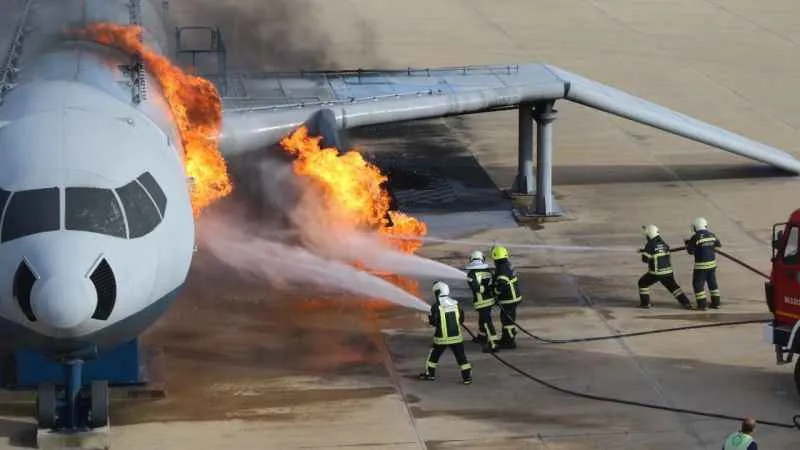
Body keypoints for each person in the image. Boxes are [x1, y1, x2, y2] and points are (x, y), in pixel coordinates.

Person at [417, 281, 473, 385]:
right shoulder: (455, 304)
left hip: (441, 338)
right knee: (461, 357)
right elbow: (461, 320)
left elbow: (434, 322)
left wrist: (430, 317)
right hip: (456, 337)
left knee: (433, 356)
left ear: (437, 292)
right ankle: (467, 377)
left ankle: (430, 374)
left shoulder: (436, 306)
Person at [638, 224, 693, 309]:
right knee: (674, 288)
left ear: (649, 235)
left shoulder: (650, 245)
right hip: (668, 271)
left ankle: (645, 303)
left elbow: (645, 259)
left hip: (656, 273)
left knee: (642, 283)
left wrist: (645, 252)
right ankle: (686, 303)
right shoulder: (663, 242)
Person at [685, 217, 722, 310]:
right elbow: (718, 244)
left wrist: (687, 244)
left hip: (701, 266)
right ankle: (716, 303)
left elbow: (690, 251)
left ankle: (702, 305)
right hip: (712, 265)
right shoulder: (711, 235)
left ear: (696, 226)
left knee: (698, 285)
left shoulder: (695, 237)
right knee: (712, 284)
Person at [464, 250, 497, 353]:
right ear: (482, 259)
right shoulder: (488, 271)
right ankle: (482, 337)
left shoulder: (472, 274)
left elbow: (475, 288)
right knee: (483, 319)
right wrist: (489, 289)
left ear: (471, 260)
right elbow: (493, 284)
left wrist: (485, 289)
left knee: (486, 321)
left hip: (481, 301)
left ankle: (493, 343)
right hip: (490, 300)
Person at [491, 246, 522, 349]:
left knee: (506, 320)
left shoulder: (501, 269)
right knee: (509, 319)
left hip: (509, 299)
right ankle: (507, 339)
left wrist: (495, 292)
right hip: (514, 297)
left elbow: (502, 284)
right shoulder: (507, 265)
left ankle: (509, 342)